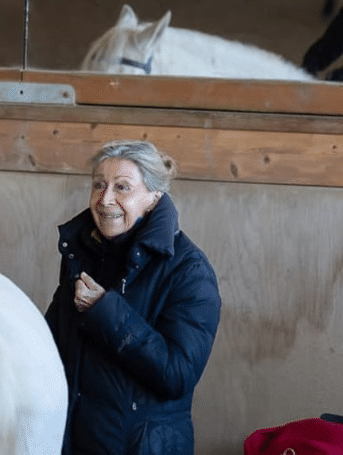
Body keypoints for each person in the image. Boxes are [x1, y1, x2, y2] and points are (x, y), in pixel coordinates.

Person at [44, 140, 222, 455]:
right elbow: (53, 347)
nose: (105, 199)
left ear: (153, 198)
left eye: (122, 187)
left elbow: (177, 375)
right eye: (99, 185)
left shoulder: (189, 271)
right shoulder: (82, 254)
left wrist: (106, 312)